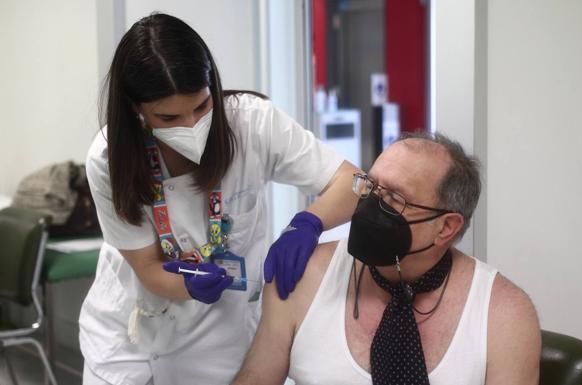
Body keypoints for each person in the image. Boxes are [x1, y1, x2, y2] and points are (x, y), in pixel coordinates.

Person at [79, 13, 358, 385]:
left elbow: (353, 183)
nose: (191, 125)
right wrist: (187, 284)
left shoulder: (252, 124)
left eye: (201, 106)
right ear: (136, 109)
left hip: (221, 336)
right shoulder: (109, 159)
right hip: (128, 332)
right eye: (169, 117)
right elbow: (147, 267)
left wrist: (308, 224)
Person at [232, 132, 541, 385]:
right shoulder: (304, 275)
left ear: (446, 227)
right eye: (371, 186)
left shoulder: (504, 315)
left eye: (395, 197)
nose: (372, 204)